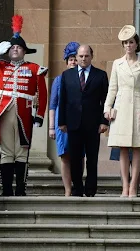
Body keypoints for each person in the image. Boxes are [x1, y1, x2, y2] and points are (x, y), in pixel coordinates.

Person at [0, 15, 48, 196]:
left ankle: (20, 189)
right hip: (5, 112)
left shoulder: (34, 68)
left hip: (24, 113)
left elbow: (43, 94)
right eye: (12, 47)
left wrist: (39, 115)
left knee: (22, 151)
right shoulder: (0, 66)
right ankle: (6, 190)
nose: (15, 50)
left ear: (24, 51)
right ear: (8, 51)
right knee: (6, 151)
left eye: (18, 47)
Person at [104, 25, 140, 197]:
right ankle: (124, 185)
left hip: (138, 104)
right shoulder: (117, 63)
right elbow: (112, 88)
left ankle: (133, 186)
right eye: (125, 43)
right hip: (121, 105)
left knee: (137, 147)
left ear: (136, 44)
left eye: (131, 42)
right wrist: (107, 107)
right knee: (123, 148)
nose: (128, 46)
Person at [57, 45, 109, 197]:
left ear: (91, 56)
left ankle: (91, 189)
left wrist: (104, 121)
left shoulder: (101, 75)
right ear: (76, 57)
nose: (83, 59)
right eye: (80, 56)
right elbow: (63, 100)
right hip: (73, 123)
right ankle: (77, 188)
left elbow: (105, 100)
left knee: (92, 158)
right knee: (75, 158)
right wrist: (62, 122)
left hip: (93, 124)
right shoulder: (67, 75)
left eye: (86, 56)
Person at [48, 41, 80, 196]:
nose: (73, 62)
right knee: (65, 156)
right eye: (71, 59)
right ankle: (68, 190)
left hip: (80, 123)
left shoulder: (83, 79)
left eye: (75, 59)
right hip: (63, 124)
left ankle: (78, 186)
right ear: (67, 62)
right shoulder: (59, 80)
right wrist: (51, 127)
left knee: (79, 156)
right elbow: (53, 105)